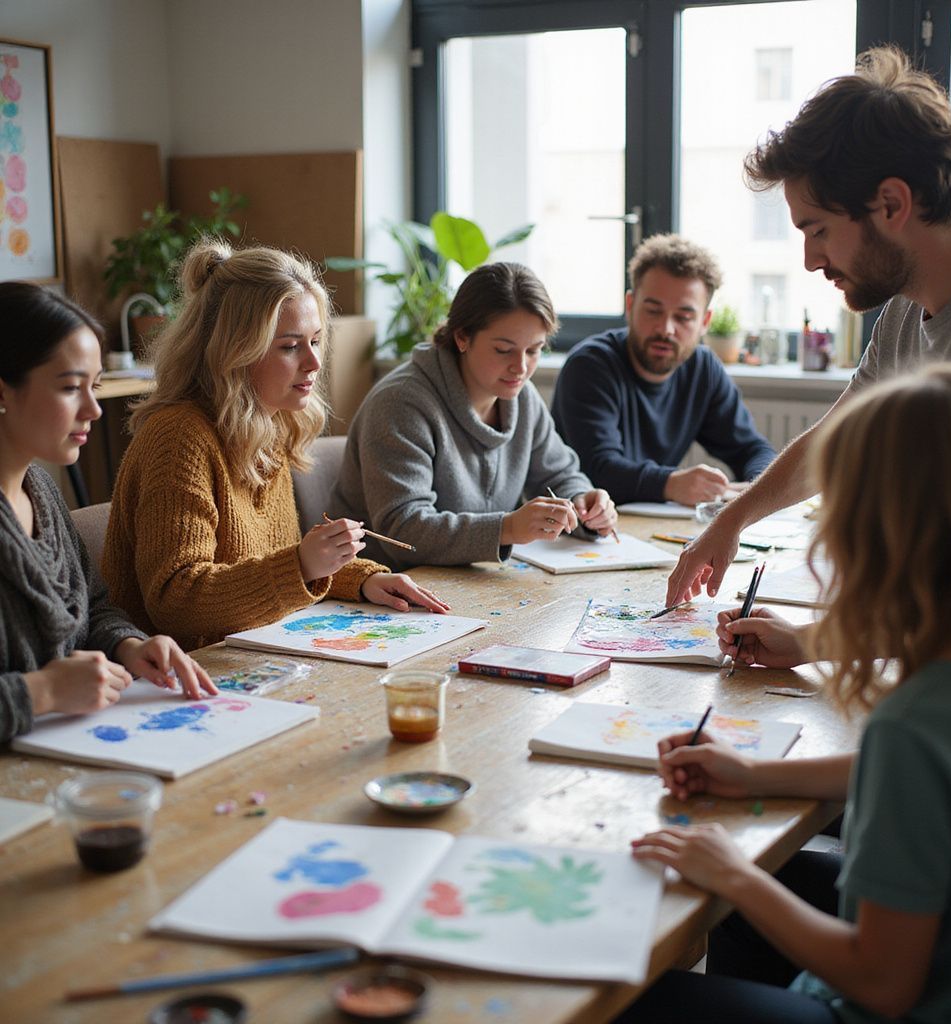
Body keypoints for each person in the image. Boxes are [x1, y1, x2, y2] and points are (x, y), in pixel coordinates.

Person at [618, 364, 951, 1024]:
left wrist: (736, 877)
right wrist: (756, 774)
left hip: (885, 1006)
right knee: (753, 892)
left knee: (629, 996)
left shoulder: (913, 725)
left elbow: (883, 982)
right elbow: (937, 776)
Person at [666, 45, 951, 607]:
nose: (810, 260)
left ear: (891, 203)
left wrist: (825, 641)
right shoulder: (907, 304)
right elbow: (839, 438)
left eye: (819, 230)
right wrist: (731, 522)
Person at [104, 242, 448, 653]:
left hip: (246, 659)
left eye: (316, 341)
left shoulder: (271, 422)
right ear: (232, 352)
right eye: (289, 346)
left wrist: (363, 579)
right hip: (182, 677)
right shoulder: (179, 438)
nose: (314, 363)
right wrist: (303, 563)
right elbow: (176, 601)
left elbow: (269, 564)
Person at [0, 283, 215, 744]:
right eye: (70, 388)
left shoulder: (40, 492)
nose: (94, 410)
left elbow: (94, 606)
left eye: (94, 387)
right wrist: (41, 692)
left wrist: (129, 645)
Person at [331, 261, 617, 568]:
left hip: (468, 583)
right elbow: (403, 530)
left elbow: (558, 474)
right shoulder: (401, 403)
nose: (520, 367)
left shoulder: (522, 398)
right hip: (384, 591)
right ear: (462, 337)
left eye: (534, 350)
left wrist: (583, 501)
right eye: (504, 349)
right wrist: (507, 529)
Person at [552, 235, 774, 505]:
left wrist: (756, 489)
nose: (666, 329)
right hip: (577, 532)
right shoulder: (589, 366)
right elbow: (597, 470)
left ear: (705, 321)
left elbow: (752, 449)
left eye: (683, 317)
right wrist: (671, 484)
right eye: (653, 311)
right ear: (631, 306)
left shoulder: (703, 369)